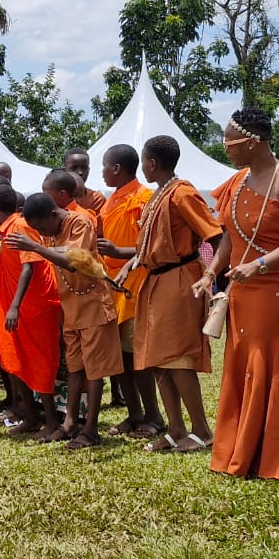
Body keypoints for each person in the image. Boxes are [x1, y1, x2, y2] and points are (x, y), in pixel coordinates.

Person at [195, 108, 279, 479]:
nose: (225, 148)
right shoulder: (237, 181)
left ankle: (271, 456)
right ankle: (240, 450)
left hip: (277, 286)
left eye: (230, 142)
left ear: (252, 142)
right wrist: (211, 272)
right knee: (242, 360)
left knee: (265, 355)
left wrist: (259, 266)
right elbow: (229, 235)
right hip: (241, 286)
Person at [100, 136, 221, 454]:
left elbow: (216, 236)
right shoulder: (159, 194)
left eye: (143, 161)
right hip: (154, 281)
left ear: (151, 163)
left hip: (179, 279)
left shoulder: (182, 193)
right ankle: (176, 429)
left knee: (177, 357)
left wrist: (214, 276)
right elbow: (149, 245)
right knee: (156, 359)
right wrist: (131, 262)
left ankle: (202, 430)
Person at [8, 192, 123, 449]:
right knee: (75, 368)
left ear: (52, 214)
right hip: (71, 308)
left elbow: (74, 263)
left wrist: (36, 247)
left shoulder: (80, 222)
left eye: (42, 227)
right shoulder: (52, 231)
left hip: (93, 305)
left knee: (94, 371)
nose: (42, 232)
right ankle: (70, 422)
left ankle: (91, 429)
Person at [0, 183, 63, 440]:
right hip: (15, 307)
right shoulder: (5, 230)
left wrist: (15, 306)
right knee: (16, 361)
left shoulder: (20, 226)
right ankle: (30, 416)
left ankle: (51, 422)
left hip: (33, 307)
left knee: (39, 363)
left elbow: (29, 266)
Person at [97, 144, 165, 438]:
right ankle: (134, 414)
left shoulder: (144, 199)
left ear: (116, 169)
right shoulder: (110, 201)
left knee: (137, 356)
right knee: (120, 358)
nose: (101, 172)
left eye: (104, 166)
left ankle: (153, 416)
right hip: (111, 284)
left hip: (136, 283)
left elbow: (152, 245)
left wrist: (118, 251)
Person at [42, 169, 103, 234]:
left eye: (47, 194)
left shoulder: (82, 219)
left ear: (62, 194)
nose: (43, 197)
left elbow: (79, 244)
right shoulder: (50, 215)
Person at [64, 148, 106, 213]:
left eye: (84, 168)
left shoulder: (96, 199)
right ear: (65, 171)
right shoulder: (54, 196)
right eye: (74, 168)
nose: (80, 172)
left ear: (89, 170)